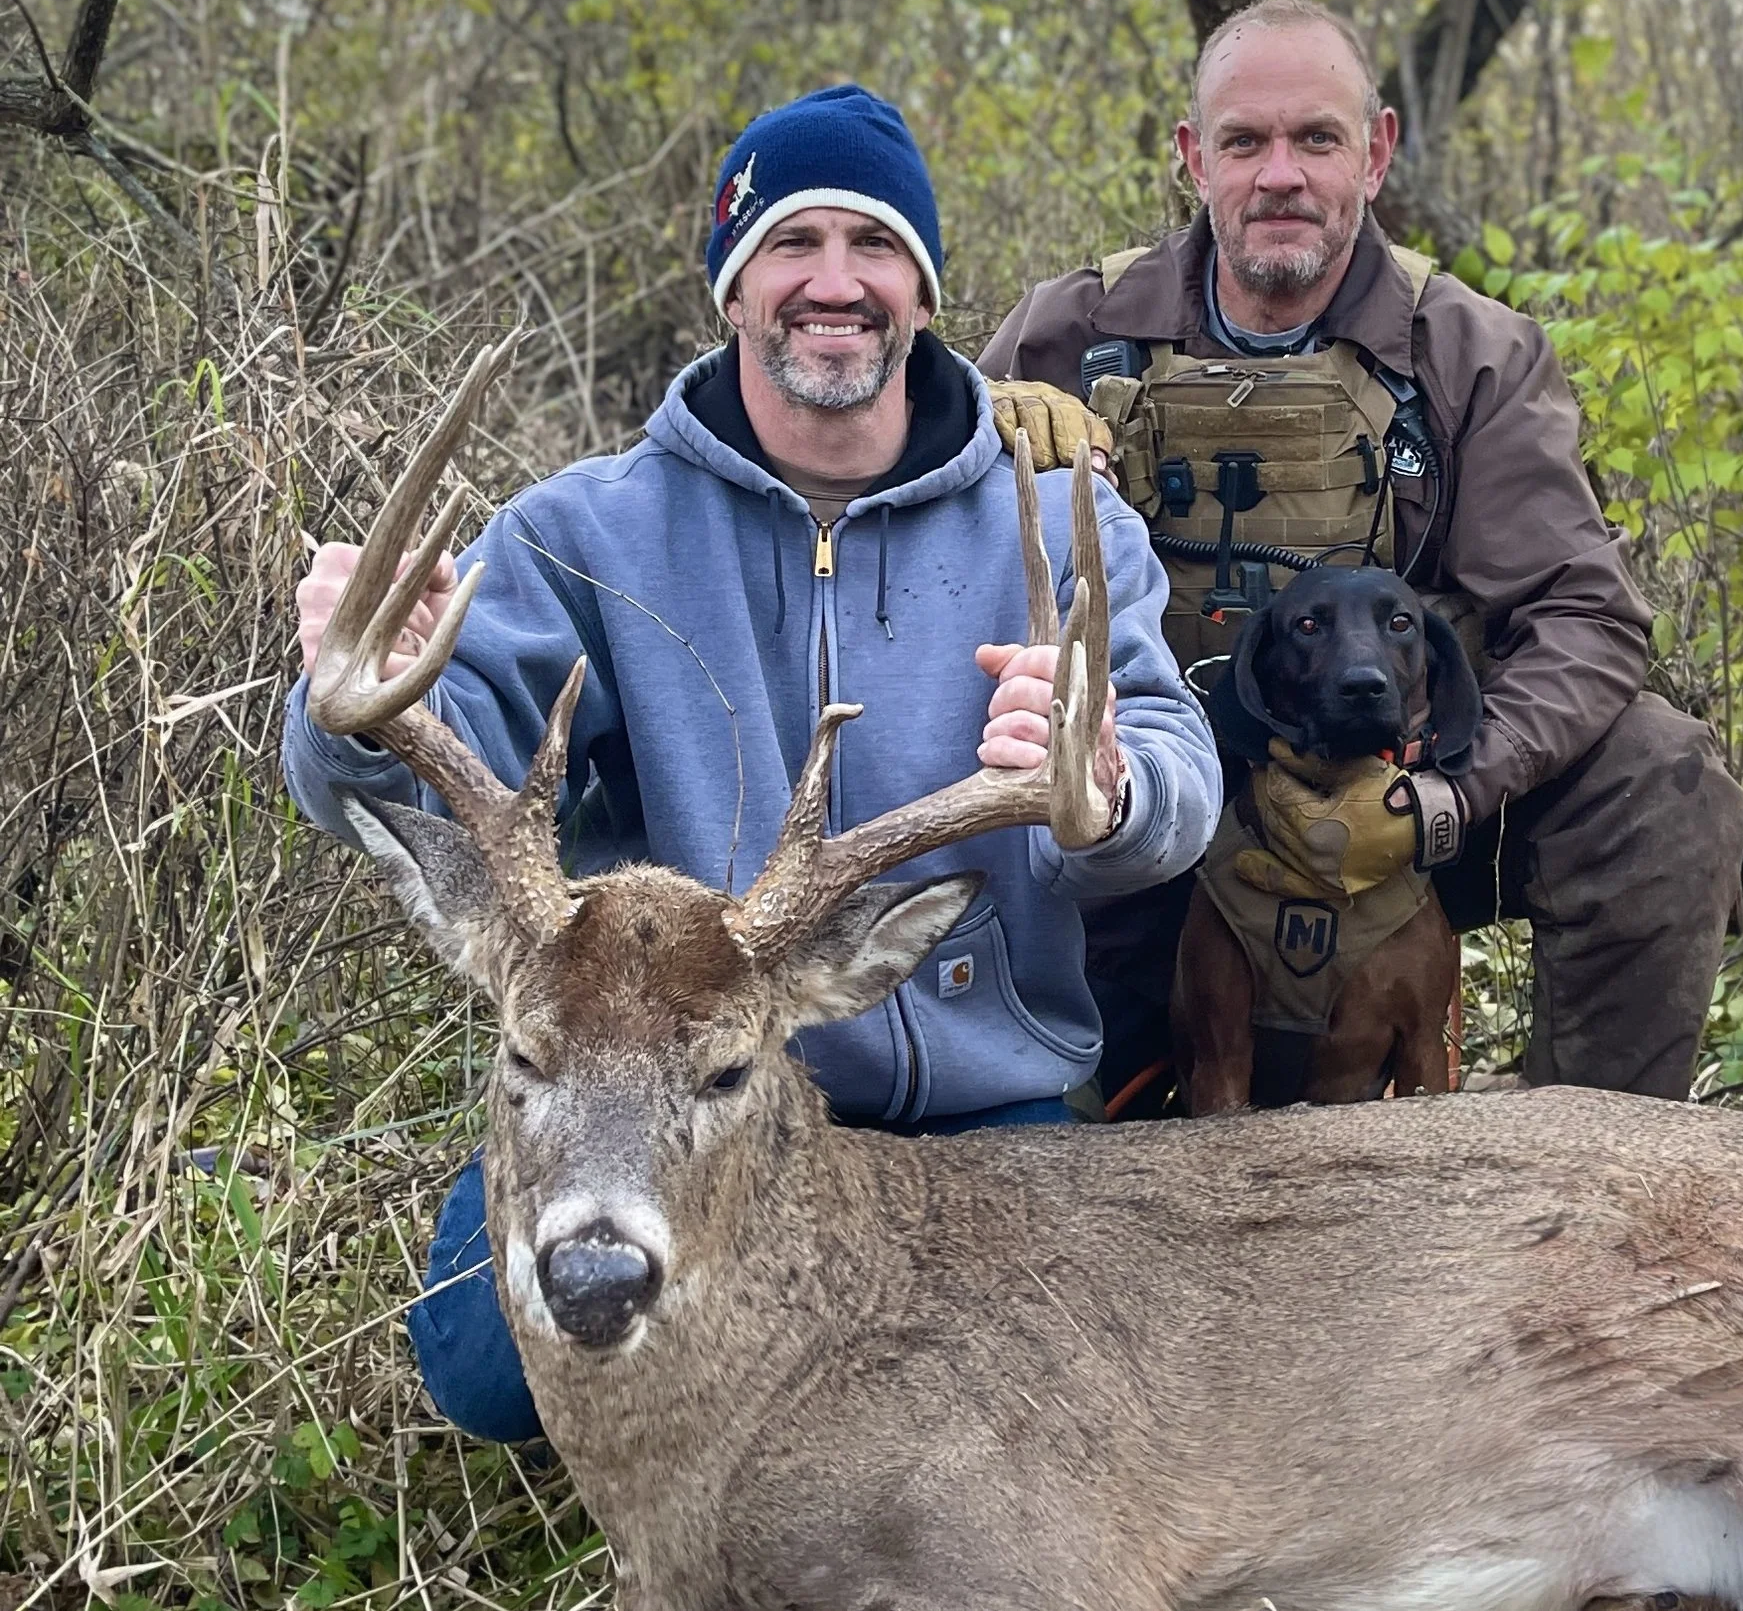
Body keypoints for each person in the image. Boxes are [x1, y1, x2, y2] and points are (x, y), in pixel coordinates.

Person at [284, 84, 1220, 1441]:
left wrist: (1110, 779)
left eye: (874, 247)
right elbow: (393, 786)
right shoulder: (587, 528)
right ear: (733, 287)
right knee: (493, 1373)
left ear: (922, 289)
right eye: (790, 245)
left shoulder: (1060, 520)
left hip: (977, 1101)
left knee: (1054, 1410)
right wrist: (357, 694)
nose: (833, 283)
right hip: (662, 1086)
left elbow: (1179, 775)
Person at [980, 0, 1743, 1110]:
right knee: (1100, 1116)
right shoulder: (1070, 332)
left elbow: (1586, 617)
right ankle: (976, 1101)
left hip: (1394, 797)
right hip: (1141, 791)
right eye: (1245, 142)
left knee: (1661, 780)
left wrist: (1436, 797)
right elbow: (908, 554)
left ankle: (1588, 1177)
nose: (1279, 174)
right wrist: (970, 426)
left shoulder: (1469, 351)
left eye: (1317, 139)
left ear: (1376, 152)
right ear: (1194, 158)